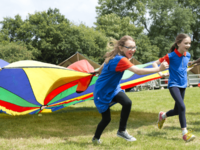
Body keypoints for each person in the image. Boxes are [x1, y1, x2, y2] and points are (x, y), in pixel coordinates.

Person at [92, 35, 168, 144]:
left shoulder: (115, 55)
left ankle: (121, 131)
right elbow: (138, 71)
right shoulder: (121, 59)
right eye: (130, 47)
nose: (133, 50)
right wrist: (158, 69)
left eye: (134, 47)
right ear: (121, 48)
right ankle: (95, 138)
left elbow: (104, 63)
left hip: (113, 89)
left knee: (127, 102)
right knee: (106, 119)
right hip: (102, 92)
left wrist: (98, 71)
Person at [152, 33, 196, 142]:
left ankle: (163, 116)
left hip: (183, 85)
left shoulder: (188, 55)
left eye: (189, 43)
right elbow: (154, 63)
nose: (188, 45)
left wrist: (190, 65)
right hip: (173, 85)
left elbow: (183, 67)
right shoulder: (170, 56)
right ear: (178, 43)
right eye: (186, 43)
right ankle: (185, 133)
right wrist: (159, 72)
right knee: (182, 107)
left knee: (177, 110)